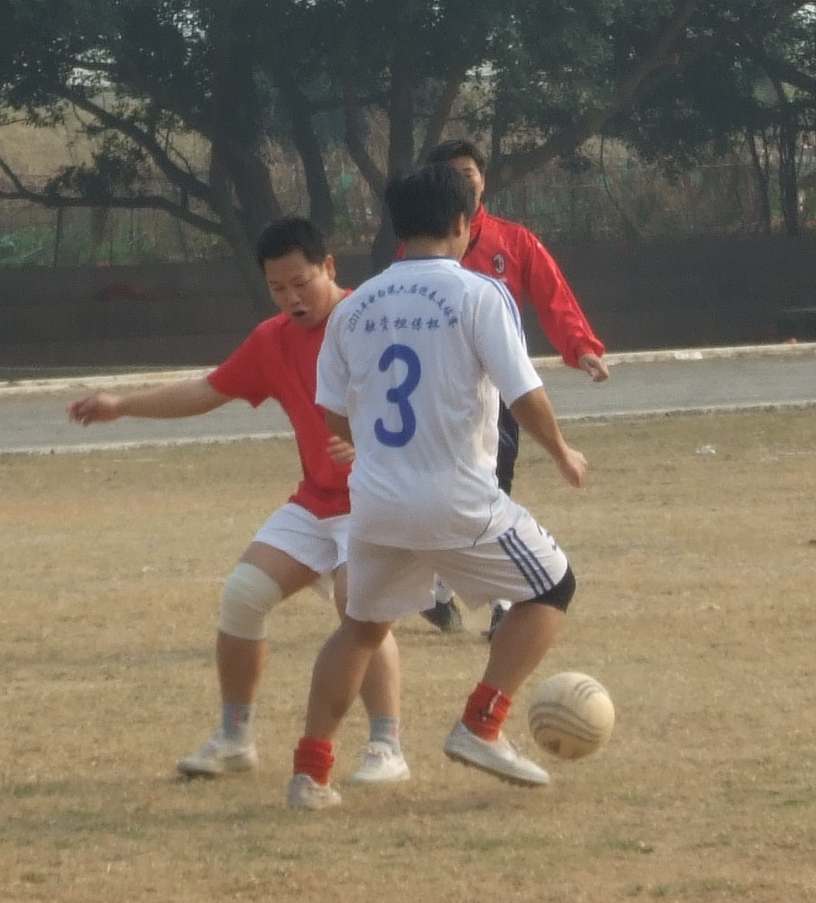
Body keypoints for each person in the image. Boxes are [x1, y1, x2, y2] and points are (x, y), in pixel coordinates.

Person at [67, 217, 410, 786]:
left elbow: (422, 404)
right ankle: (235, 739)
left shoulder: (372, 321)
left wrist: (371, 443)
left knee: (360, 607)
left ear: (329, 267)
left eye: (301, 283)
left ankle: (386, 746)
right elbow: (209, 389)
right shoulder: (271, 340)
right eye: (278, 288)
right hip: (317, 501)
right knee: (244, 595)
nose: (292, 298)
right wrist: (122, 405)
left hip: (377, 500)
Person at [286, 163, 587, 810]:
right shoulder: (480, 294)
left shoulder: (352, 307)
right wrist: (561, 451)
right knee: (552, 588)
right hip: (456, 498)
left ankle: (310, 774)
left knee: (361, 629)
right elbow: (523, 392)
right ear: (462, 223)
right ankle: (482, 722)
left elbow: (331, 410)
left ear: (397, 228)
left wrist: (375, 449)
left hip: (376, 502)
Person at [419, 139, 608, 638]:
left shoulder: (514, 241)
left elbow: (554, 297)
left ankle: (475, 597)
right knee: (451, 486)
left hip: (498, 393)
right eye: (451, 174)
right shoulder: (416, 253)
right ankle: (451, 592)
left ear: (483, 179)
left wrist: (581, 347)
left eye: (469, 172)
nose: (463, 181)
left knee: (492, 481)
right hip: (438, 392)